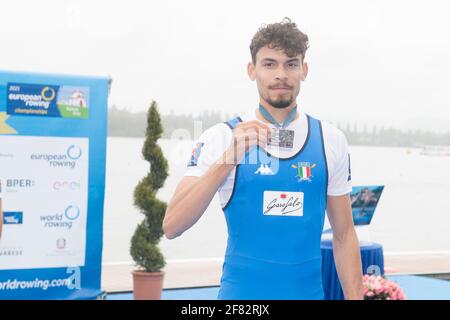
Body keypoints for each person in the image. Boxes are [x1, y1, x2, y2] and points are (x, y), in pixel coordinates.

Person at [163, 18, 363, 300]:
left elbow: (343, 236)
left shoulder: (331, 139)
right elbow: (172, 226)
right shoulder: (221, 137)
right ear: (251, 70)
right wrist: (228, 160)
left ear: (304, 70)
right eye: (269, 64)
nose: (281, 74)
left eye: (291, 63)